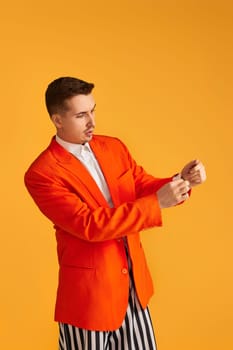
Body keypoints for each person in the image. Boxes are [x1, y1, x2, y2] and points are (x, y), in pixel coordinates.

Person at [24, 76, 206, 350]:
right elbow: (89, 225)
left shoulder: (114, 147)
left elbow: (142, 185)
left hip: (135, 289)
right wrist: (157, 203)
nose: (92, 122)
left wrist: (181, 180)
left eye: (93, 110)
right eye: (81, 115)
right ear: (57, 120)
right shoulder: (42, 174)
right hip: (89, 300)